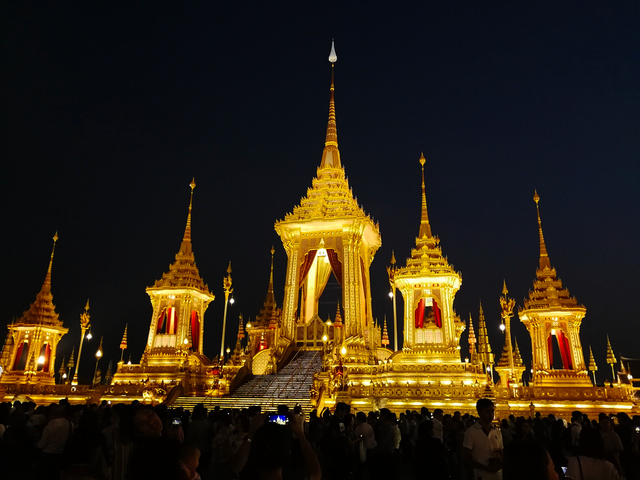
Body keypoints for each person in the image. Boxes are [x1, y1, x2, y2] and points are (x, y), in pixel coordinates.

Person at [462, 398, 503, 480]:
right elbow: (466, 458)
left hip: (497, 475)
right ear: (479, 412)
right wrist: (487, 468)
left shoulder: (497, 432)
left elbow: (501, 452)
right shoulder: (471, 432)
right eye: (487, 411)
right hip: (481, 475)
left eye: (492, 411)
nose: (491, 414)